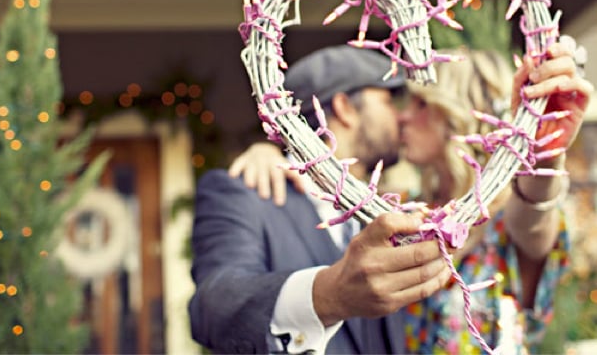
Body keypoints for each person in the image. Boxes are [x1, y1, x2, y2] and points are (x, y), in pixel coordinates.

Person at [229, 38, 593, 354]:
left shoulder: (502, 213)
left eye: (420, 105)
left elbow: (533, 218)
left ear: (458, 113)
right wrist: (273, 153)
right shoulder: (403, 208)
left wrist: (543, 154)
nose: (403, 118)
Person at [188, 45, 454, 354]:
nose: (402, 116)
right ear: (345, 108)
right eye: (388, 101)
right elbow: (213, 305)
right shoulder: (246, 191)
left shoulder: (392, 209)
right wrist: (330, 294)